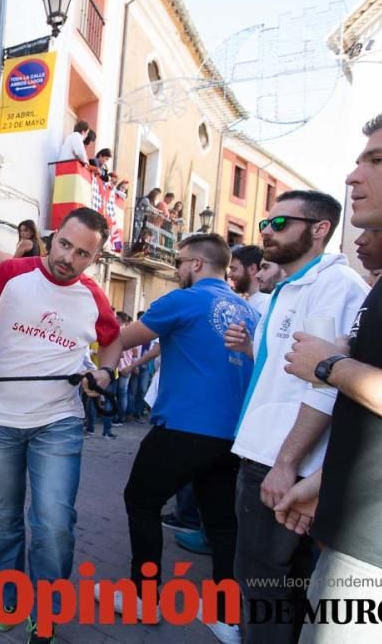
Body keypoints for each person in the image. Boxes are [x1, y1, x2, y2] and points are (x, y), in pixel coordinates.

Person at [281, 100, 382, 643]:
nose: (353, 175)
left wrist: (330, 365)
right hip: (368, 550)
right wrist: (328, 483)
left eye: (377, 159)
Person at [0, 207, 121, 644]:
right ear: (52, 236)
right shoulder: (9, 275)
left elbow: (111, 340)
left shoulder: (93, 297)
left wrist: (105, 373)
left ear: (93, 259)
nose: (68, 258)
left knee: (54, 522)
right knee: (3, 516)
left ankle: (47, 608)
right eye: (64, 244)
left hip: (58, 421)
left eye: (81, 254)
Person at [225, 190, 369, 644]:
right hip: (269, 452)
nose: (266, 231)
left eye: (280, 223)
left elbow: (326, 383)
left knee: (267, 584)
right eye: (265, 224)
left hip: (284, 462)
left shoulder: (333, 286)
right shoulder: (290, 287)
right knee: (266, 581)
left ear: (320, 229)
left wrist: (287, 464)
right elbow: (288, 372)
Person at [108, 233, 257, 644]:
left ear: (195, 264)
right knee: (223, 523)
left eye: (179, 262)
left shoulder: (183, 300)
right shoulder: (249, 310)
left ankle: (144, 596)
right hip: (233, 437)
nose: (176, 269)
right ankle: (227, 618)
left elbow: (123, 338)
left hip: (185, 428)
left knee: (141, 500)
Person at [227, 244, 271, 316]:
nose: (229, 275)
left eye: (234, 269)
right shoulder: (252, 301)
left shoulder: (265, 303)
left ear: (252, 269)